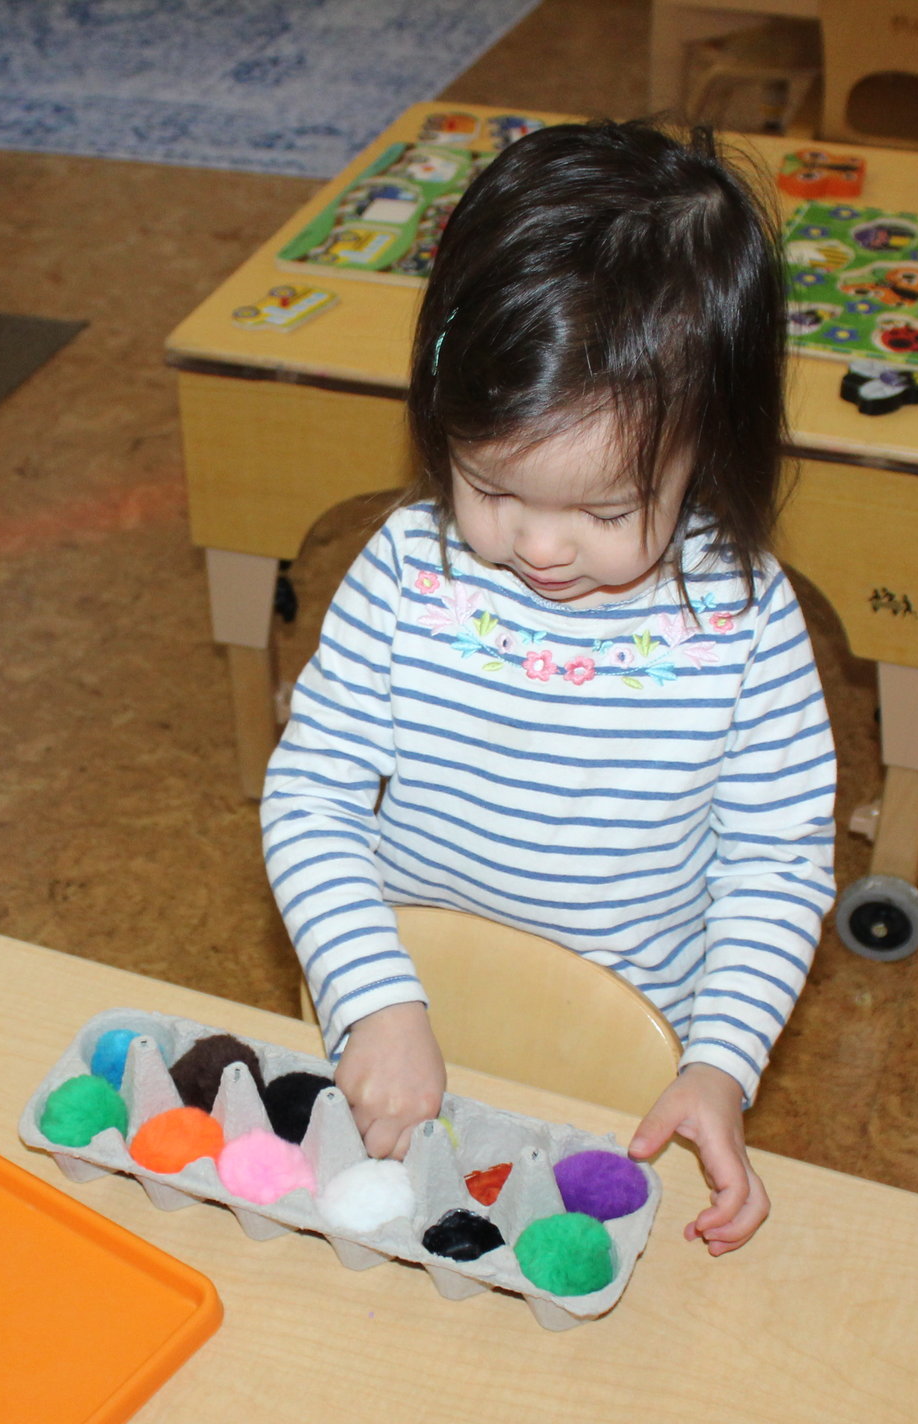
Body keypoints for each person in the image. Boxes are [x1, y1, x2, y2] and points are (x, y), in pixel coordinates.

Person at [260, 121, 835, 1256]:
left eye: (608, 511)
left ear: (706, 448)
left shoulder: (738, 619)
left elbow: (774, 860)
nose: (540, 546)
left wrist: (719, 1063)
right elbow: (311, 797)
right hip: (402, 1029)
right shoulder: (407, 570)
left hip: (616, 1077)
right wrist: (375, 998)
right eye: (490, 485)